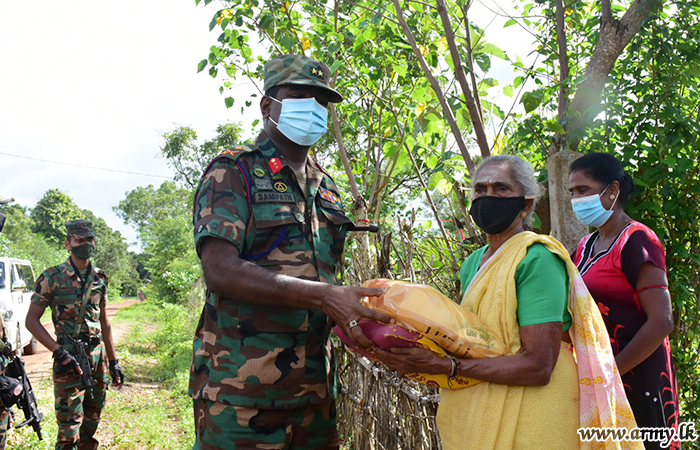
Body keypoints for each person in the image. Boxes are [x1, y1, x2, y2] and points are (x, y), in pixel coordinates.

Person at [189, 54, 391, 450]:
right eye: (299, 97)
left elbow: (325, 278)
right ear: (268, 105)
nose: (313, 110)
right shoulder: (233, 171)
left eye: (321, 102)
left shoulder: (326, 186)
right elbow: (220, 270)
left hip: (315, 394)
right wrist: (325, 297)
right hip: (240, 395)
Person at [374, 155, 641, 450]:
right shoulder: (473, 263)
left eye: (501, 189)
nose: (488, 197)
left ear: (526, 205)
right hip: (482, 401)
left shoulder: (537, 258)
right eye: (480, 189)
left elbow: (539, 366)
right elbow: (473, 339)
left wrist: (449, 367)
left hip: (536, 415)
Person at [569, 153, 680, 450]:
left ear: (613, 191)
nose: (576, 199)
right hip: (600, 378)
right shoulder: (585, 247)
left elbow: (661, 321)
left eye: (583, 190)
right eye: (572, 192)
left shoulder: (638, 241)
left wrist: (610, 372)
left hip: (638, 375)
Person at [25, 220, 124, 450]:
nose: (85, 244)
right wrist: (58, 351)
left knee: (91, 422)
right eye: (79, 240)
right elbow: (31, 321)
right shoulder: (51, 277)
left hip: (97, 359)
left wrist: (113, 361)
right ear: (68, 244)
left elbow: (104, 322)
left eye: (89, 239)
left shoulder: (100, 278)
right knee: (69, 428)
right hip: (69, 359)